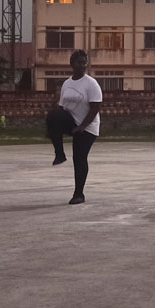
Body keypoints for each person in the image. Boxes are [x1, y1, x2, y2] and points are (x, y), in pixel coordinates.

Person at [57, 49, 102, 205]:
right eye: (79, 62)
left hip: (88, 127)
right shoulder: (67, 84)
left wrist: (82, 126)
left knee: (79, 157)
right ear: (71, 64)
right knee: (52, 118)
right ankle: (59, 153)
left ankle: (79, 194)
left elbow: (95, 107)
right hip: (73, 123)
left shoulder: (91, 84)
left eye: (84, 63)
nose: (82, 66)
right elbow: (61, 106)